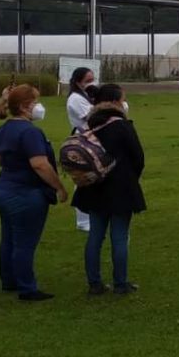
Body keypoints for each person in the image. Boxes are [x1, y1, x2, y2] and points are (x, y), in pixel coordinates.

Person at [0, 85, 67, 300]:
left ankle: (9, 280)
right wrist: (58, 186)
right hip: (24, 193)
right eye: (35, 102)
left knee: (9, 238)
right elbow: (40, 164)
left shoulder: (3, 128)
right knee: (25, 242)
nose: (38, 106)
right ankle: (27, 287)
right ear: (25, 107)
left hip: (2, 189)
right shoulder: (30, 132)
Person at [71, 84, 146, 295]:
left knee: (95, 235)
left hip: (94, 187)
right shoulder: (122, 126)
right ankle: (120, 283)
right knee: (120, 236)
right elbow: (138, 157)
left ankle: (94, 283)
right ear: (115, 102)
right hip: (121, 188)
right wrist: (131, 178)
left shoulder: (88, 125)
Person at [66, 66, 98, 232]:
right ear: (78, 82)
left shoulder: (87, 96)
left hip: (92, 139)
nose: (92, 83)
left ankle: (92, 215)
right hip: (82, 141)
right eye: (88, 81)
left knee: (94, 177)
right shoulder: (75, 99)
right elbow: (91, 116)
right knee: (83, 179)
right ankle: (83, 220)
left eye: (93, 79)